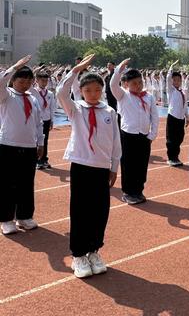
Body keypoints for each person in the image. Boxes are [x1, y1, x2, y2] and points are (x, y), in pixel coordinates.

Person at [57, 54, 121, 279]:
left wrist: (114, 167)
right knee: (80, 210)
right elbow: (61, 92)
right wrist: (77, 70)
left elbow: (115, 142)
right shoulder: (76, 110)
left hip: (102, 168)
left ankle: (94, 250)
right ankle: (78, 254)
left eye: (97, 89)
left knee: (100, 211)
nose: (93, 94)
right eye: (88, 90)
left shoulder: (109, 112)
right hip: (82, 166)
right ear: (81, 92)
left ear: (103, 90)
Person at [0, 55, 44, 236]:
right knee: (7, 184)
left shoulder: (32, 99)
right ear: (13, 80)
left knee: (26, 183)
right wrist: (15, 67)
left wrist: (40, 142)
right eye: (21, 79)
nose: (25, 83)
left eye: (28, 80)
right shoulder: (6, 95)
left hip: (28, 147)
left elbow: (38, 122)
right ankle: (5, 219)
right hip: (7, 145)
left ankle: (24, 216)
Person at [109, 59, 159, 205]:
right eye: (134, 83)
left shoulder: (149, 97)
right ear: (126, 84)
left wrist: (152, 135)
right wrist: (119, 69)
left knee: (141, 165)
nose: (138, 86)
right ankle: (128, 192)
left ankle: (138, 190)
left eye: (140, 82)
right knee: (129, 165)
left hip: (144, 136)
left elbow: (154, 117)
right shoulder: (123, 95)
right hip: (128, 136)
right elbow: (112, 84)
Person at [30, 70, 56, 170]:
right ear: (37, 80)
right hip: (36, 120)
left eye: (46, 81)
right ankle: (37, 160)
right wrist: (35, 71)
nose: (44, 83)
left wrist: (52, 120)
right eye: (42, 80)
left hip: (47, 119)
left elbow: (52, 107)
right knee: (36, 140)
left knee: (45, 140)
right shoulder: (34, 91)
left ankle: (44, 159)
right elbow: (30, 83)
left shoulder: (49, 93)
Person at [166, 61, 189, 167]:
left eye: (179, 80)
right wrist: (171, 68)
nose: (177, 82)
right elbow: (167, 80)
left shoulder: (182, 92)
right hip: (172, 117)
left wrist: (187, 116)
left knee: (180, 137)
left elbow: (185, 106)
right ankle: (171, 158)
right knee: (171, 139)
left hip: (181, 118)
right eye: (174, 80)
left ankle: (176, 156)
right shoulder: (171, 90)